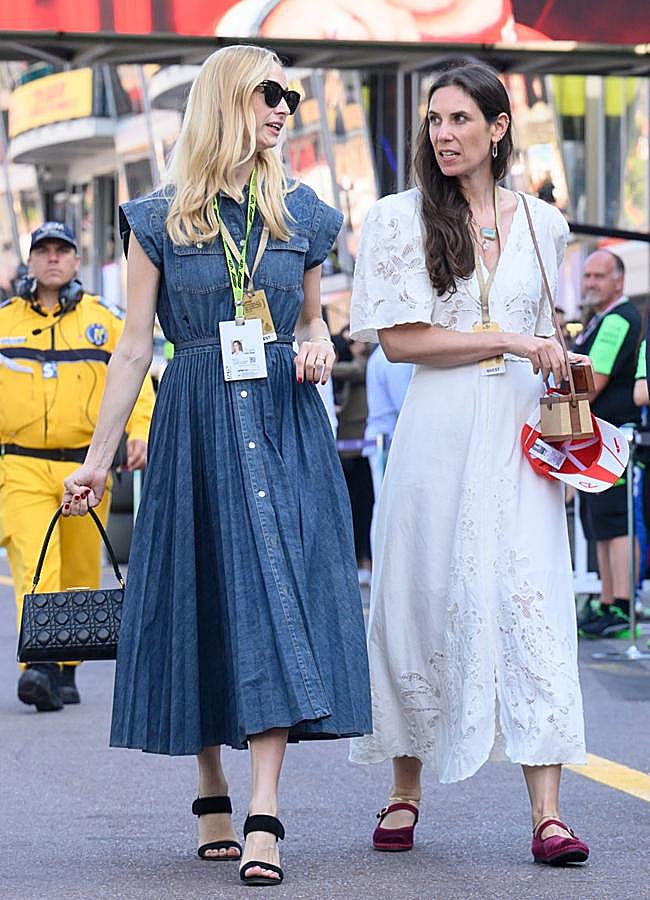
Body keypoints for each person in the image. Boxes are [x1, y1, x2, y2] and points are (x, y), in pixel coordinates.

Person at [61, 45, 371, 888]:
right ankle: (211, 783)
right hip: (194, 421)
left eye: (292, 97)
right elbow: (132, 348)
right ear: (228, 100)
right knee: (200, 600)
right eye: (271, 94)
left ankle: (266, 813)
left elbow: (315, 324)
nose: (284, 109)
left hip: (281, 423)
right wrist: (96, 462)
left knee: (279, 601)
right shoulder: (157, 218)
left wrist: (313, 343)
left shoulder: (303, 212)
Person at [349, 59, 590, 866]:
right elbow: (400, 340)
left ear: (497, 127)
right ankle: (403, 788)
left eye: (458, 120)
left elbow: (540, 326)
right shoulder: (396, 218)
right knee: (420, 594)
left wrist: (553, 354)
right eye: (433, 120)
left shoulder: (542, 224)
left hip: (524, 441)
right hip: (438, 433)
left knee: (533, 603)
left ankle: (548, 814)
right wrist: (513, 341)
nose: (442, 134)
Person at [0, 222, 154, 712]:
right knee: (35, 562)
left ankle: (66, 667)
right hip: (21, 466)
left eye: (60, 251)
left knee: (82, 570)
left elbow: (137, 373)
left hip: (87, 467)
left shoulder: (103, 320)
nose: (51, 259)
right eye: (42, 251)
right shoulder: (5, 321)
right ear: (29, 262)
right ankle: (39, 665)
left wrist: (141, 428)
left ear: (74, 260)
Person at [573, 251, 641, 639]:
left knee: (615, 522)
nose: (591, 282)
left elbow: (592, 382)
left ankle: (620, 605)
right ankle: (606, 600)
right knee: (599, 521)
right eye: (587, 275)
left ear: (619, 280)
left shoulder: (617, 320)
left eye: (600, 276)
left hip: (613, 438)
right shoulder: (602, 319)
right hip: (599, 437)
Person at [333, 332, 375, 584]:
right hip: (349, 447)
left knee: (364, 504)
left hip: (361, 448)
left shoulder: (368, 364)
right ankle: (361, 560)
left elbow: (355, 370)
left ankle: (367, 561)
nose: (353, 344)